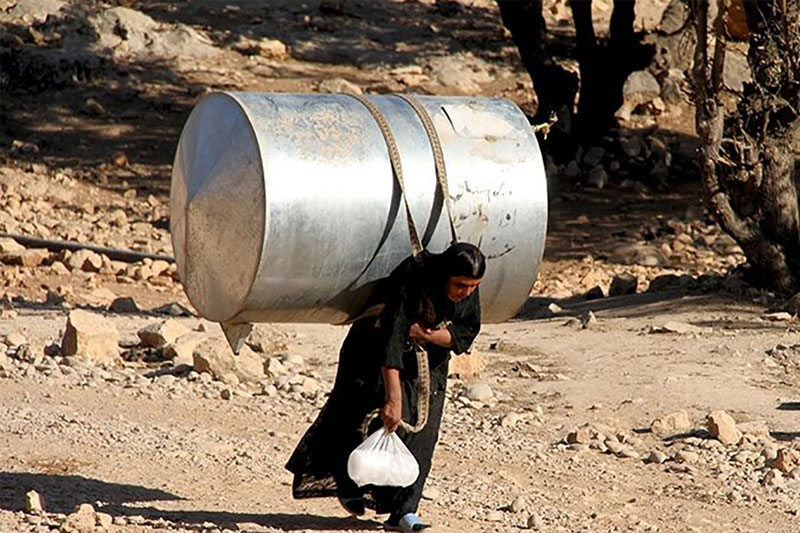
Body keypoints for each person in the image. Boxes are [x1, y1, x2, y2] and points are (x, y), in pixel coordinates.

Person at [286, 242, 485, 531]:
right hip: (372, 350)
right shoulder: (414, 274)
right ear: (445, 274)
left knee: (421, 432)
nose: (466, 292)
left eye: (473, 286)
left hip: (427, 361)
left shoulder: (467, 290)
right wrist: (393, 397)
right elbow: (393, 333)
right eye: (461, 285)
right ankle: (349, 483)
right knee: (361, 416)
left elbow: (467, 331)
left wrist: (428, 335)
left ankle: (404, 512)